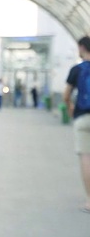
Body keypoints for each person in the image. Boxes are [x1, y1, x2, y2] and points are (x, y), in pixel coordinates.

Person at [63, 36, 90, 214]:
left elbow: (66, 94)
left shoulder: (77, 69)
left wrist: (70, 108)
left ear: (81, 48)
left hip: (83, 117)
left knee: (86, 158)